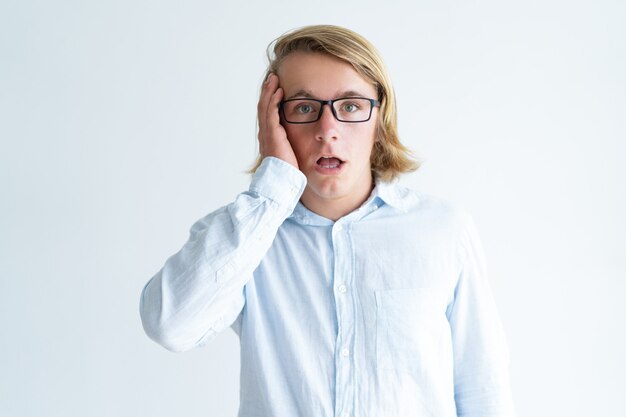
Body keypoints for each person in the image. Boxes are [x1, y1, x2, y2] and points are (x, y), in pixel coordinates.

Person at [140, 24, 515, 417]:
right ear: (274, 122)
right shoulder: (246, 235)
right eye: (304, 108)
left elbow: (482, 388)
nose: (327, 130)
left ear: (380, 118)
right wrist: (271, 191)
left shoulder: (443, 229)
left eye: (351, 106)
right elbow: (171, 325)